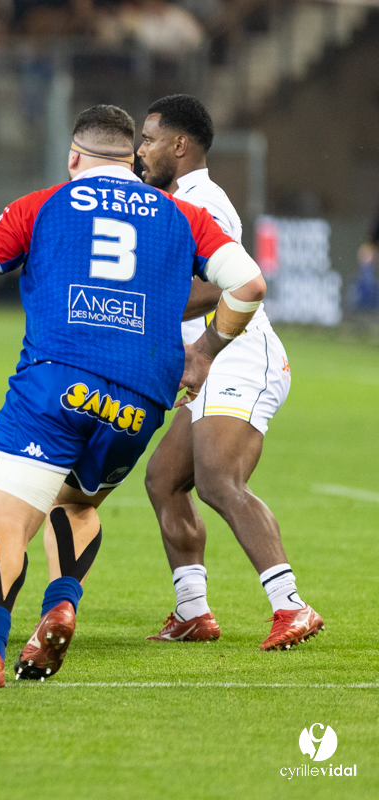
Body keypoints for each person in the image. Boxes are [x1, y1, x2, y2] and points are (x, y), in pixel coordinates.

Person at [0, 105, 268, 688]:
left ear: (74, 158)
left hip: (55, 383)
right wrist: (206, 350)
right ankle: (62, 603)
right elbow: (250, 285)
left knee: (7, 521)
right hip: (140, 398)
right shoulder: (183, 214)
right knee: (78, 504)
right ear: (131, 158)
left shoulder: (41, 205)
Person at [137, 95, 321, 650]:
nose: (140, 151)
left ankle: (291, 606)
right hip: (209, 358)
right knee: (164, 480)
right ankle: (193, 611)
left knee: (219, 480)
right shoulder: (175, 201)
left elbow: (228, 285)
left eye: (148, 140)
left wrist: (145, 308)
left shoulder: (203, 201)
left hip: (238, 352)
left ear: (179, 145)